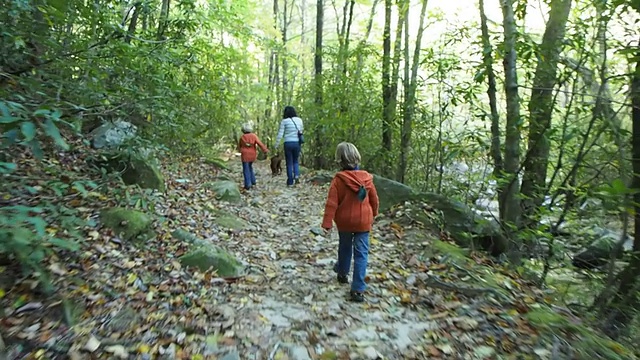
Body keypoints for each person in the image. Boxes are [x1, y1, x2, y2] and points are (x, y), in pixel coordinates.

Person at [321, 142, 379, 302]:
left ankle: (342, 273)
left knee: (345, 247)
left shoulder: (338, 180)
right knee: (361, 254)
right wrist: (374, 214)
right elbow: (374, 199)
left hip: (345, 221)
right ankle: (358, 289)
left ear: (339, 160)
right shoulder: (367, 179)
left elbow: (331, 203)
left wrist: (327, 223)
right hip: (363, 222)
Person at [274, 106, 304, 186]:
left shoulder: (284, 121)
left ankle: (290, 181)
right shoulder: (299, 120)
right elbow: (301, 131)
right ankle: (296, 175)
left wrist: (276, 144)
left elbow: (280, 134)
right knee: (295, 161)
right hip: (297, 143)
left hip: (288, 143)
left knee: (289, 162)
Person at [237, 123, 268, 191]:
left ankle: (248, 184)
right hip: (252, 154)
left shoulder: (242, 137)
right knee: (250, 167)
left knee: (246, 169)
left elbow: (239, 146)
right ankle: (253, 181)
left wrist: (240, 150)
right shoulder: (254, 136)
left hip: (245, 155)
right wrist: (265, 150)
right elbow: (260, 143)